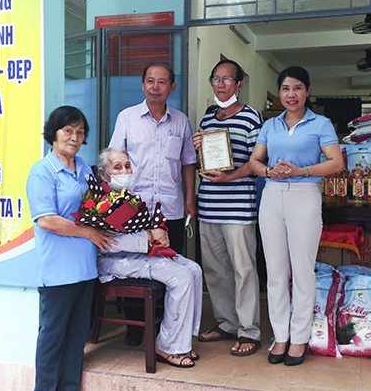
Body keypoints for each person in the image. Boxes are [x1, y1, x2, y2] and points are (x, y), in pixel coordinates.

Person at [26, 106, 115, 391]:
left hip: (85, 268)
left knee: (78, 336)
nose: (74, 138)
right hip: (57, 270)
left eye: (80, 132)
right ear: (53, 133)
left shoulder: (85, 170)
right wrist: (88, 231)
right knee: (53, 336)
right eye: (68, 131)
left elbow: (98, 206)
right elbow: (47, 219)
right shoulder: (42, 171)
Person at [248, 66, 344, 367]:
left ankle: (299, 338)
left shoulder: (321, 124)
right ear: (280, 93)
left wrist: (301, 171)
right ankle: (280, 336)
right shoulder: (270, 125)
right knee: (275, 272)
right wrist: (267, 171)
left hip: (305, 195)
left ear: (308, 91)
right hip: (272, 196)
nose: (292, 94)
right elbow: (254, 160)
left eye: (298, 88)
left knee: (302, 271)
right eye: (286, 89)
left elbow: (336, 163)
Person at [109, 63, 197, 346]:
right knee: (136, 267)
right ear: (143, 85)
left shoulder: (181, 122)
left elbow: (188, 163)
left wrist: (189, 199)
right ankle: (136, 329)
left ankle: (164, 326)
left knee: (171, 268)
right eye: (150, 81)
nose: (155, 87)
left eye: (162, 82)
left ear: (172, 87)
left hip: (170, 208)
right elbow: (114, 159)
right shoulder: (127, 117)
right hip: (134, 209)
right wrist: (114, 203)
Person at [96, 148, 203, 368]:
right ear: (104, 174)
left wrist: (156, 236)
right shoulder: (98, 202)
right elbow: (107, 242)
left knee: (193, 269)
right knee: (181, 276)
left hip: (136, 255)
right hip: (113, 262)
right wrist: (149, 237)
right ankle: (167, 346)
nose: (125, 171)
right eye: (117, 167)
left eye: (127, 165)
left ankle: (183, 340)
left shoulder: (128, 197)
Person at [193, 59, 263, 356]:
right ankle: (226, 323)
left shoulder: (251, 118)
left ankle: (249, 330)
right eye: (216, 79)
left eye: (227, 80)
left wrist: (230, 176)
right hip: (209, 206)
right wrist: (199, 152)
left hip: (238, 208)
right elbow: (204, 163)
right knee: (216, 270)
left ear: (239, 85)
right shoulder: (208, 121)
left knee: (243, 270)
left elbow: (258, 162)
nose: (221, 85)